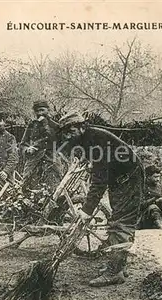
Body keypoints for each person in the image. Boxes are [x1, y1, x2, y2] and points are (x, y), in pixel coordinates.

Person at [58, 112, 145, 287]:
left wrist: (87, 210)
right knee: (117, 219)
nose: (67, 136)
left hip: (128, 179)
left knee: (121, 223)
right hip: (120, 179)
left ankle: (114, 272)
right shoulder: (88, 138)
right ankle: (118, 266)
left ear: (82, 127)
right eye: (65, 132)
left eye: (70, 130)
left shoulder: (96, 141)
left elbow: (99, 181)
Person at [20, 100, 65, 192]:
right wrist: (27, 149)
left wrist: (45, 124)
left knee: (53, 189)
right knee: (29, 190)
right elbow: (22, 144)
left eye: (42, 110)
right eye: (37, 111)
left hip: (51, 161)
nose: (40, 113)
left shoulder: (55, 126)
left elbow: (55, 140)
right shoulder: (31, 126)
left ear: (48, 110)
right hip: (34, 162)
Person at [137, 165, 162, 230]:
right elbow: (139, 206)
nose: (158, 179)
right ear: (148, 177)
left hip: (159, 216)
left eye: (159, 177)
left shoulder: (161, 188)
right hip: (144, 218)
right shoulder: (141, 188)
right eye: (155, 177)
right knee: (153, 207)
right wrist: (154, 199)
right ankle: (161, 226)